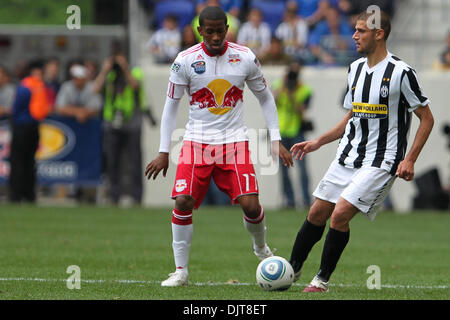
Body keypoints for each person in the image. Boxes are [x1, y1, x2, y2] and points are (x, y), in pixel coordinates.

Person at [145, 6, 293, 287]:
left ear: (228, 29)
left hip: (234, 142)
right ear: (200, 31)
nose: (215, 37)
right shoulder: (184, 61)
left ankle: (261, 248)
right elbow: (170, 107)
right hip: (196, 142)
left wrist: (276, 140)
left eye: (220, 31)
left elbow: (265, 98)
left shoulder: (245, 57)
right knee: (182, 201)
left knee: (250, 205)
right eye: (209, 31)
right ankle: (181, 271)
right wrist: (164, 152)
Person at [288, 10, 434, 292]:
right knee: (317, 212)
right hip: (348, 155)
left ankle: (321, 279)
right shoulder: (355, 69)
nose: (353, 35)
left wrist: (410, 159)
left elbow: (426, 118)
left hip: (382, 160)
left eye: (361, 31)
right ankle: (290, 269)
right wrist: (319, 141)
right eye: (355, 30)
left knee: (339, 214)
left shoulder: (401, 73)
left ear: (379, 34)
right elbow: (353, 115)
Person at [94, 53, 154, 206]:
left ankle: (136, 197)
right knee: (112, 161)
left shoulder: (135, 72)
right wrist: (104, 70)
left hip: (132, 122)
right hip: (111, 122)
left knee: (135, 161)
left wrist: (125, 68)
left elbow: (135, 85)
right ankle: (114, 196)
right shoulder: (109, 75)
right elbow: (95, 89)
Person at [9, 60, 51, 203]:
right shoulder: (41, 87)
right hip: (34, 127)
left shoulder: (25, 86)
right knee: (30, 162)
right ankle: (29, 194)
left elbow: (16, 108)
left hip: (21, 128)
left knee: (17, 161)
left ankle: (15, 195)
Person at [272, 62, 312, 209]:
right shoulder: (278, 85)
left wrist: (292, 95)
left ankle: (306, 200)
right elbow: (270, 103)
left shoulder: (304, 90)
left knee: (302, 169)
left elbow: (302, 111)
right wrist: (281, 88)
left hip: (297, 132)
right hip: (282, 133)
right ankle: (289, 201)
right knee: (283, 170)